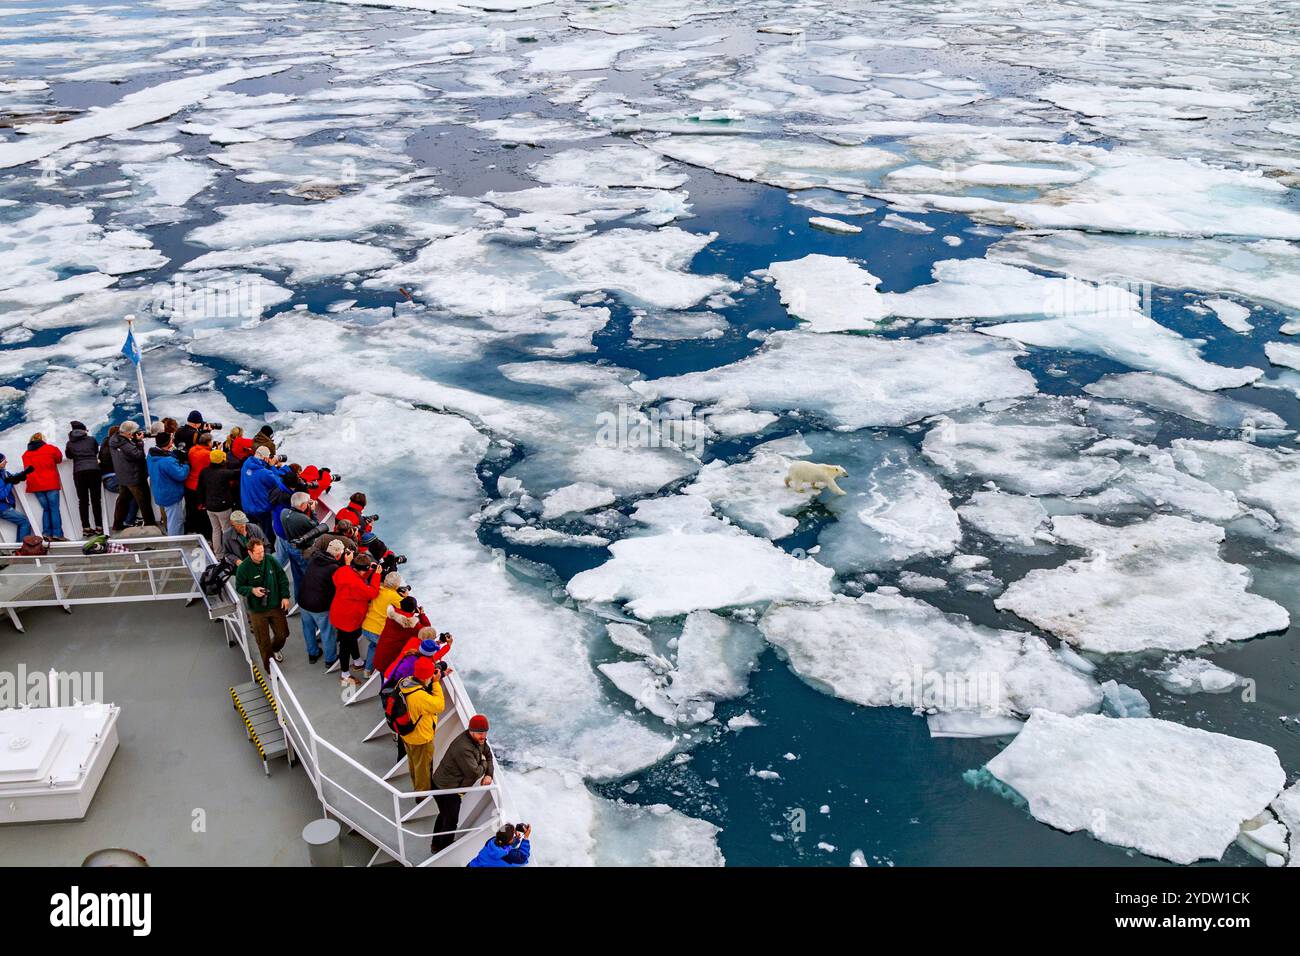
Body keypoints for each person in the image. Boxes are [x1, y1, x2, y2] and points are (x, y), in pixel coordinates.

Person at [431, 715, 494, 853]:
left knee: (444, 815)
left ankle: (436, 845)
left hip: (450, 786)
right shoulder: (464, 747)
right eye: (480, 733)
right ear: (471, 731)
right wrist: (483, 764)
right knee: (451, 820)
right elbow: (474, 773)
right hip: (445, 788)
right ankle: (443, 849)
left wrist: (489, 774)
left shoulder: (478, 739)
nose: (483, 736)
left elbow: (488, 755)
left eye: (485, 733)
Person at [234, 538, 291, 673]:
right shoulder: (243, 568)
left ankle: (275, 649)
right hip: (257, 610)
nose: (262, 555)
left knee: (283, 634)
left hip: (275, 605)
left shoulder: (270, 560)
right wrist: (252, 590)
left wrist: (285, 596)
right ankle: (270, 669)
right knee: (263, 642)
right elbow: (240, 587)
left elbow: (282, 577)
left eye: (263, 551)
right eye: (258, 553)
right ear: (250, 552)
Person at [330, 549, 381, 691]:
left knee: (350, 639)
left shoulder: (344, 571)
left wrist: (369, 571)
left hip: (339, 614)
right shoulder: (357, 584)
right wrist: (376, 575)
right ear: (361, 570)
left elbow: (357, 577)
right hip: (349, 619)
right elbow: (372, 592)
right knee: (345, 647)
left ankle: (358, 661)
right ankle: (345, 674)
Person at [397, 656, 446, 794]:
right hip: (420, 738)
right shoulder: (419, 696)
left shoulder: (404, 682)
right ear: (427, 676)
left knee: (414, 764)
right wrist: (436, 683)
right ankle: (422, 795)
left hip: (406, 733)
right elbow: (439, 705)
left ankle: (417, 786)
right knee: (423, 768)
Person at [298, 538, 343, 665]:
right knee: (327, 632)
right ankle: (330, 659)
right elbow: (339, 586)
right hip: (319, 606)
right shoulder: (334, 568)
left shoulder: (314, 559)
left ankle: (313, 654)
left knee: (308, 628)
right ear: (338, 555)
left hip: (303, 601)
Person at [278, 491, 327, 599]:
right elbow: (316, 527)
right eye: (307, 503)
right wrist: (313, 511)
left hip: (291, 547)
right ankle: (309, 599)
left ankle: (298, 599)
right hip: (303, 551)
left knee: (297, 577)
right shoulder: (303, 519)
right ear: (302, 505)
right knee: (308, 576)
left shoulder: (284, 512)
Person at [109, 421, 152, 532]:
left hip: (123, 477)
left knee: (122, 501)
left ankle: (117, 525)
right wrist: (139, 442)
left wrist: (133, 440)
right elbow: (138, 455)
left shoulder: (114, 440)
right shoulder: (125, 445)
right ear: (128, 433)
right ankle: (151, 526)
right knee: (144, 502)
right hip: (135, 478)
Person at [359, 570, 404, 677]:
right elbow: (407, 606)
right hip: (378, 630)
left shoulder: (378, 588)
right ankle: (386, 673)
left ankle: (367, 670)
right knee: (387, 651)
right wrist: (405, 595)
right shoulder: (395, 596)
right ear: (397, 585)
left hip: (366, 627)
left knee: (373, 647)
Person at [240, 446, 288, 545]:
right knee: (267, 533)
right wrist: (272, 466)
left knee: (251, 532)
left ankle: (252, 549)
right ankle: (268, 550)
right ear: (266, 458)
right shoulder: (264, 473)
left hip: (247, 506)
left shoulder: (246, 464)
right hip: (261, 508)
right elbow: (279, 483)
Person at [372, 597, 431, 677]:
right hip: (391, 661)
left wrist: (415, 616)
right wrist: (422, 615)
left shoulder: (391, 616)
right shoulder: (412, 626)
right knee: (388, 683)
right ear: (414, 609)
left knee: (383, 679)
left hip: (380, 655)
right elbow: (428, 631)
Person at [22, 433, 65, 541]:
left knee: (46, 509)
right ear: (42, 439)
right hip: (50, 483)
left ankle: (46, 533)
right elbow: (59, 459)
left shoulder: (25, 454)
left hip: (35, 485)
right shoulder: (50, 448)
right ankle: (57, 534)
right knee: (54, 509)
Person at [145, 431, 189, 535]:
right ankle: (174, 544)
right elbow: (181, 475)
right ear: (168, 443)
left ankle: (177, 539)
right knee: (175, 522)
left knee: (173, 519)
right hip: (171, 495)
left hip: (160, 491)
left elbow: (165, 458)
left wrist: (173, 455)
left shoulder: (151, 454)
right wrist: (186, 465)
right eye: (171, 439)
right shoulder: (167, 461)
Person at [65, 421, 103, 536]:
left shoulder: (69, 443)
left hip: (79, 472)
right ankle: (99, 527)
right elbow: (96, 451)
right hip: (94, 470)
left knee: (83, 501)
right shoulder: (91, 439)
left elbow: (69, 456)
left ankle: (86, 528)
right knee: (96, 500)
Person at [199, 448, 238, 555]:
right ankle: (228, 553)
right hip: (223, 507)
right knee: (226, 530)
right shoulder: (224, 473)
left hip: (209, 506)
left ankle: (218, 554)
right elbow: (238, 473)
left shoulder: (204, 471)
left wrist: (203, 503)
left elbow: (200, 488)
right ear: (222, 461)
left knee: (215, 530)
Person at [183, 431, 213, 535]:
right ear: (208, 442)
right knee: (201, 511)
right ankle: (202, 532)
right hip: (199, 487)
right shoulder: (208, 454)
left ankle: (190, 528)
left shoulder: (192, 449)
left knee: (190, 509)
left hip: (189, 484)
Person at [0, 452, 34, 540]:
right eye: (4, 460)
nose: (6, 461)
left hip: (5, 506)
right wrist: (10, 482)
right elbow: (2, 495)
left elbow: (11, 477)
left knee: (22, 521)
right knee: (24, 522)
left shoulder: (4, 472)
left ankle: (20, 548)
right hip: (2, 508)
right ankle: (23, 549)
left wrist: (22, 474)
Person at [466, 824, 531, 868]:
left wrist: (516, 840)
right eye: (513, 834)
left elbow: (505, 845)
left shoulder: (491, 841)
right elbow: (524, 857)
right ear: (509, 841)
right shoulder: (507, 855)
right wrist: (525, 838)